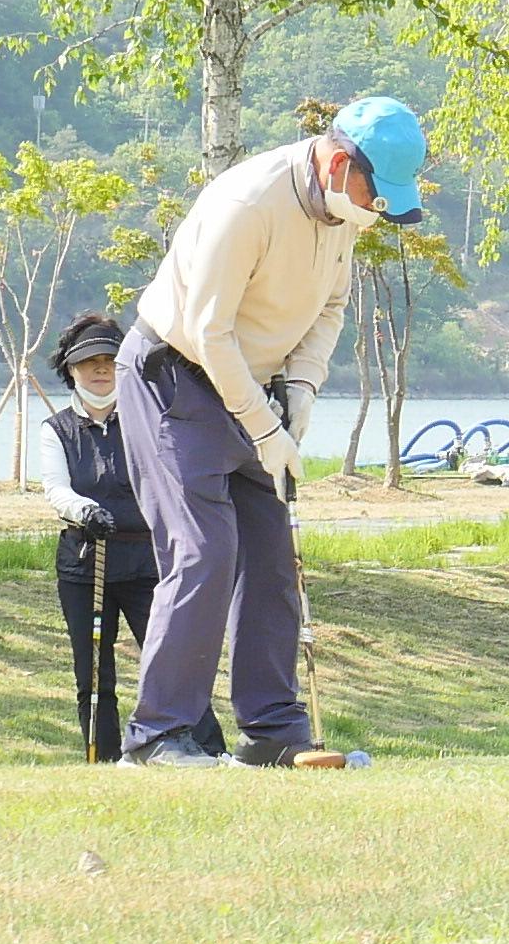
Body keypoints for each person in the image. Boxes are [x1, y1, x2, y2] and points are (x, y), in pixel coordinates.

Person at [116, 95, 428, 768]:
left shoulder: (346, 208)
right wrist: (264, 428)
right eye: (377, 192)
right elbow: (210, 332)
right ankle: (158, 737)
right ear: (341, 162)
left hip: (256, 384)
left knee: (271, 558)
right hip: (173, 376)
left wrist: (302, 389)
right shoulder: (248, 205)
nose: (379, 210)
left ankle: (274, 733)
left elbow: (333, 302)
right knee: (204, 552)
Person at [41, 314, 162, 762]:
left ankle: (191, 745)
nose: (99, 369)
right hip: (85, 559)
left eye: (110, 360)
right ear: (70, 370)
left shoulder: (145, 421)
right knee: (93, 670)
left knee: (167, 655)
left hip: (146, 560)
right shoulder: (56, 430)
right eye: (88, 362)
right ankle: (104, 756)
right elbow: (57, 489)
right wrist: (86, 510)